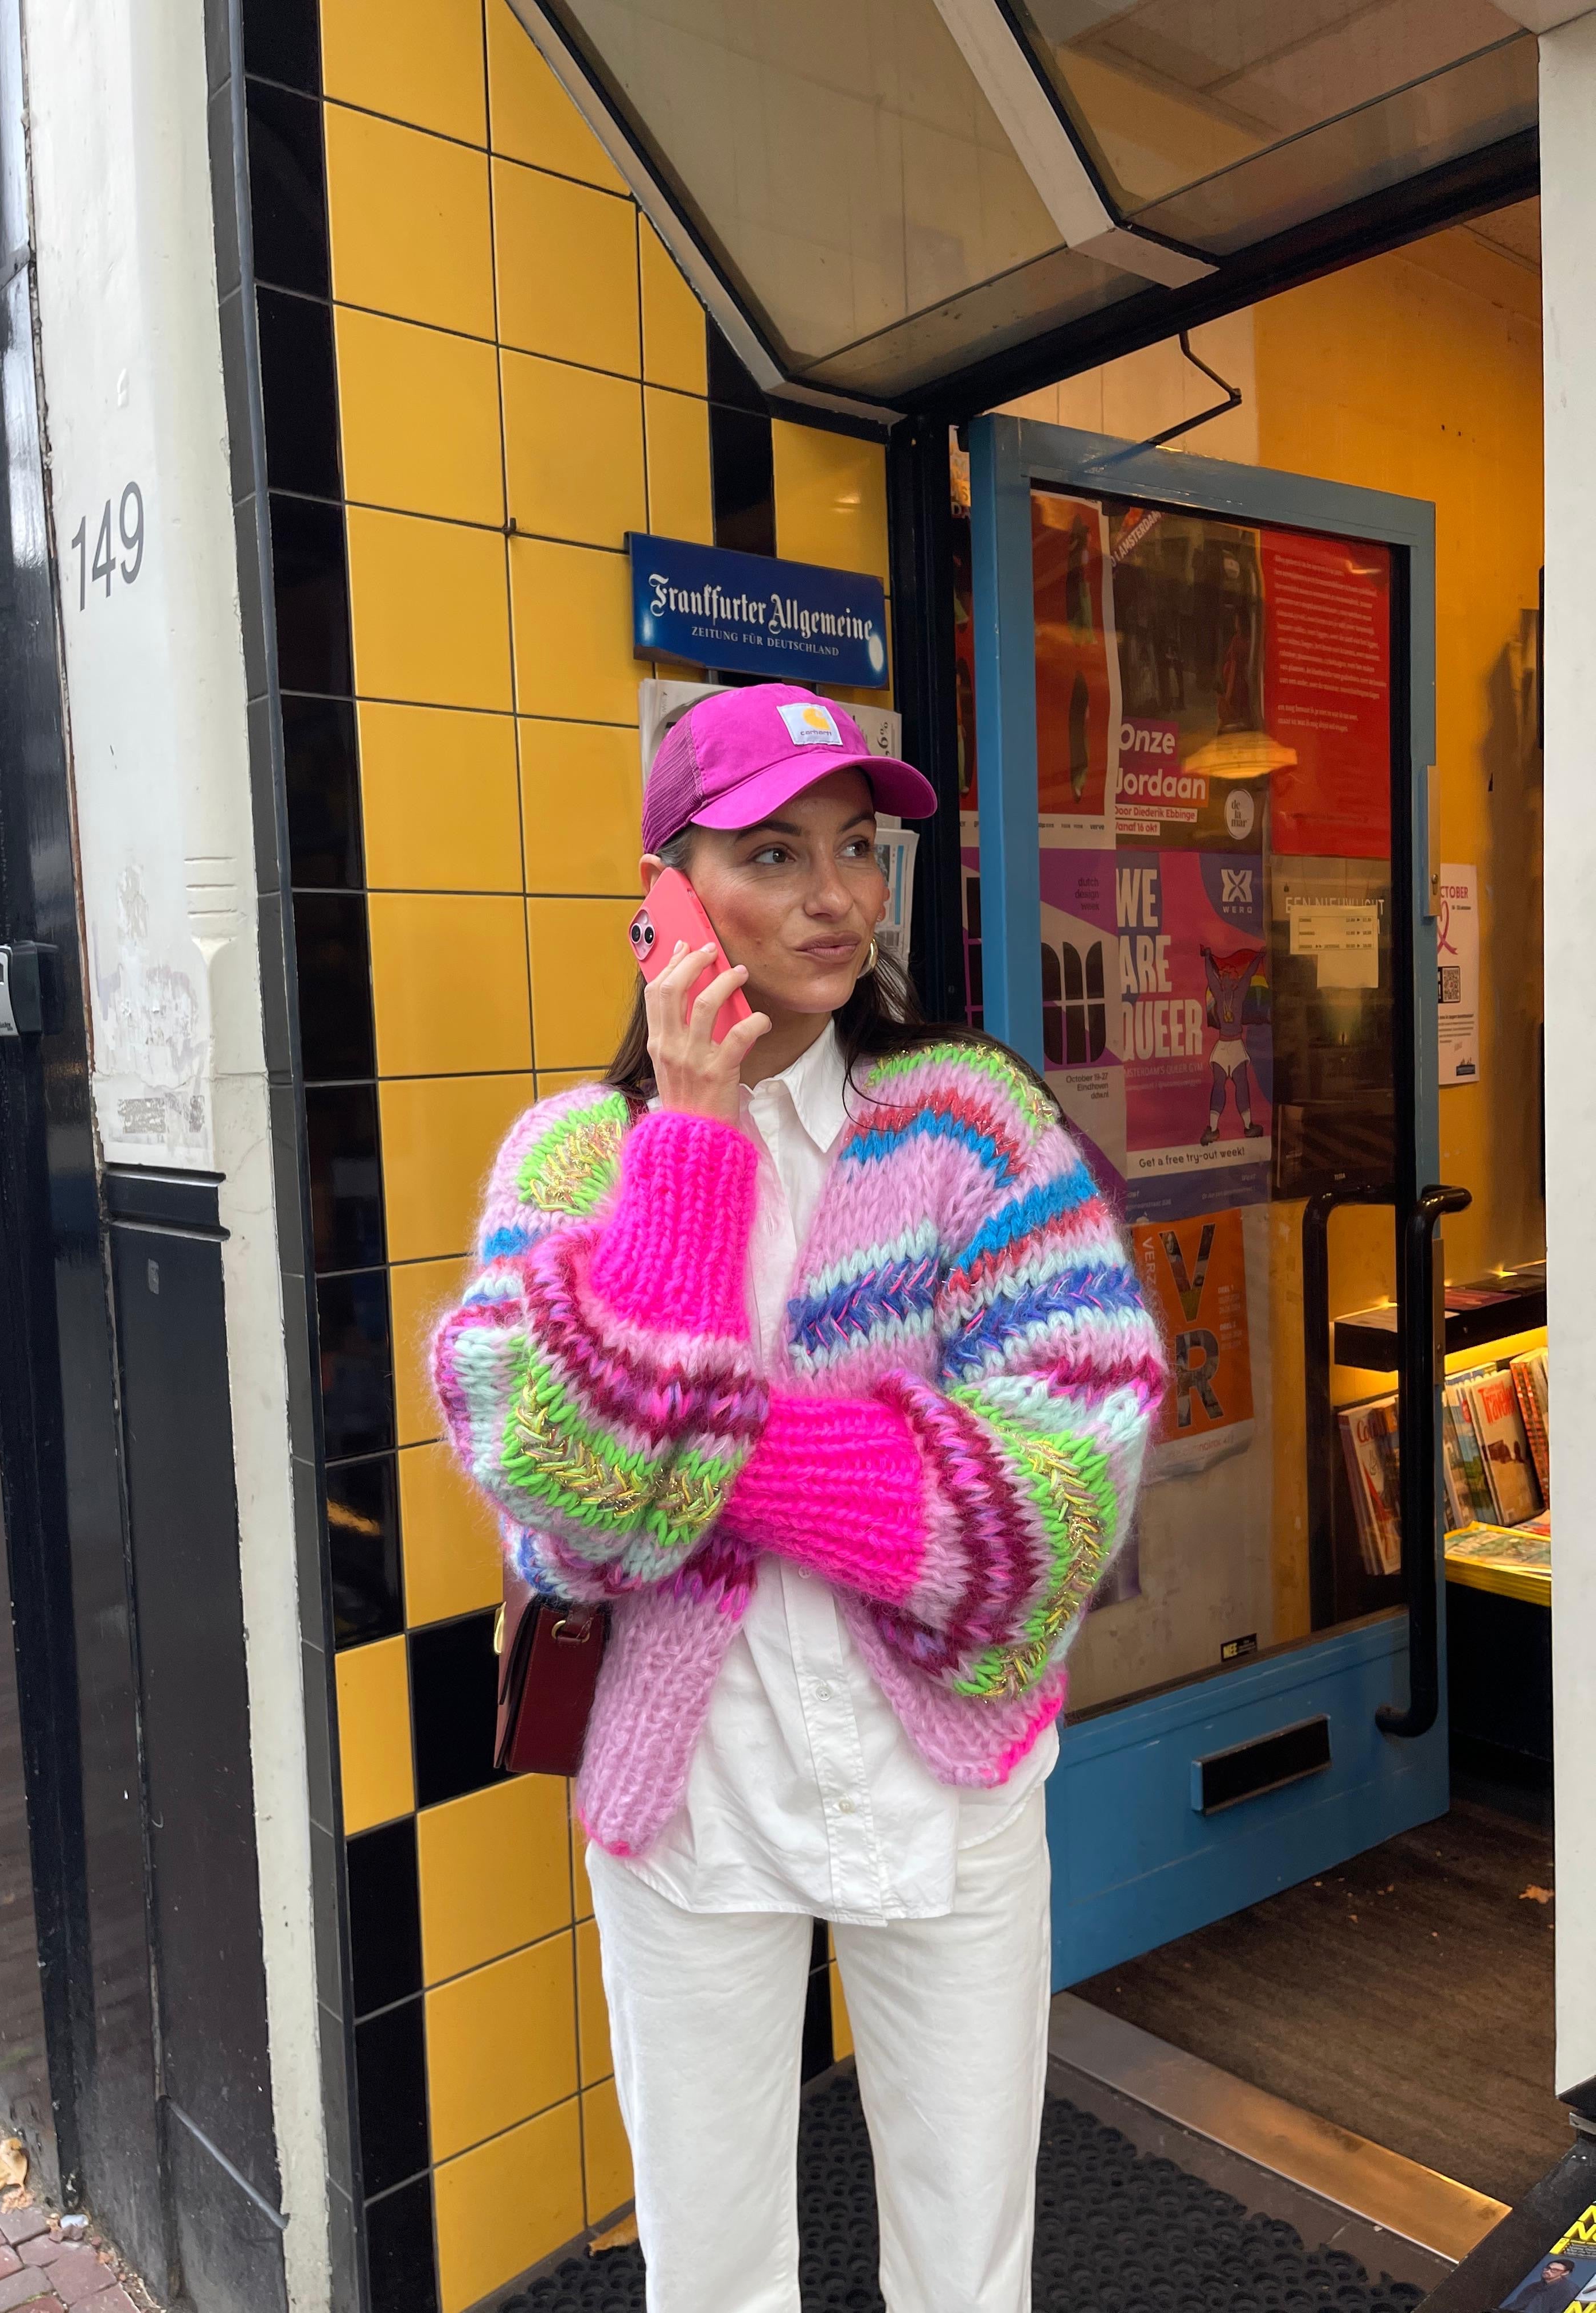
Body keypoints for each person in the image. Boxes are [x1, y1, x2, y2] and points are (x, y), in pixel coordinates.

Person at [433, 683, 1165, 2313]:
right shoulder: (574, 1160)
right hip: (691, 1802)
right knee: (714, 2275)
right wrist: (691, 1138)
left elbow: (1054, 1508)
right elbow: (579, 1526)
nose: (837, 897)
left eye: (858, 848)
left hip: (950, 1790)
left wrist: (694, 1449)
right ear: (669, 895)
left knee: (971, 2268)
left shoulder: (977, 1129)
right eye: (773, 853)